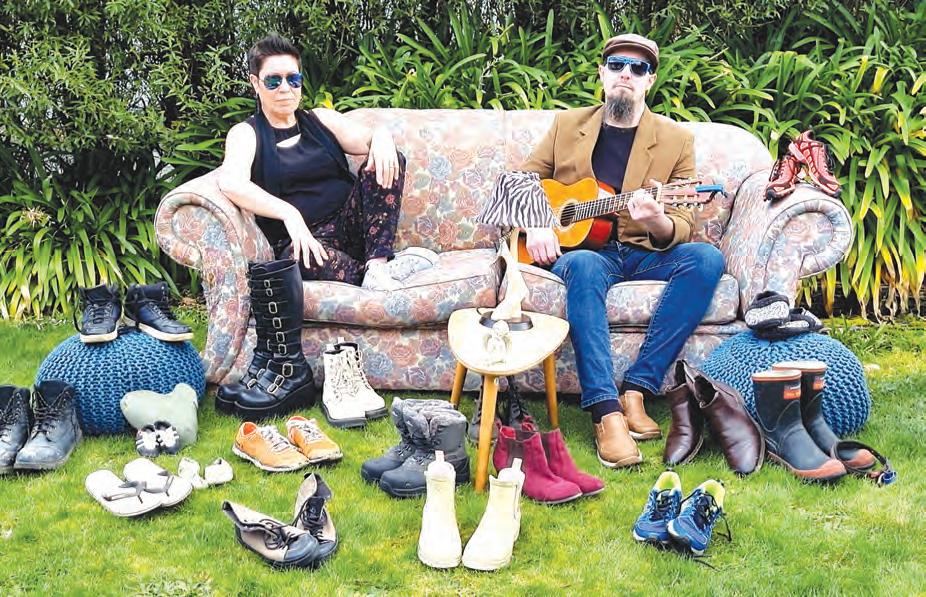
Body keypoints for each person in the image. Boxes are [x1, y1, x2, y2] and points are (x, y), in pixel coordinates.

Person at [519, 33, 725, 469]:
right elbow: (520, 181)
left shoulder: (675, 140)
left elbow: (681, 226)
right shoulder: (566, 125)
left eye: (638, 68)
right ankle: (605, 410)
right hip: (590, 254)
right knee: (582, 264)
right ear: (602, 74)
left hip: (644, 251)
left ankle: (637, 388)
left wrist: (655, 219)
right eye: (616, 65)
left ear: (650, 80)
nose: (625, 74)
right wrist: (537, 222)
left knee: (707, 259)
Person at [218, 34, 436, 291]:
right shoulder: (246, 134)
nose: (285, 89)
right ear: (255, 83)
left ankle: (377, 265)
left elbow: (368, 138)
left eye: (293, 79)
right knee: (296, 260)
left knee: (389, 158)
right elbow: (231, 182)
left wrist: (382, 136)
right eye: (274, 81)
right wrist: (289, 214)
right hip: (305, 240)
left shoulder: (321, 119)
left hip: (353, 224)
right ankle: (382, 271)